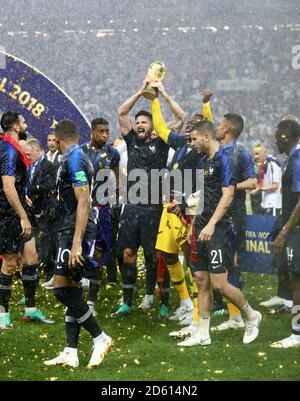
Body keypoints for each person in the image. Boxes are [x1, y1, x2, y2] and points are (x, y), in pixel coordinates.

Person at [178, 120, 261, 346]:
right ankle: (203, 334)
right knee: (201, 279)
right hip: (202, 227)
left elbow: (228, 195)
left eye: (194, 139)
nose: (192, 143)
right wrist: (193, 222)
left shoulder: (225, 159)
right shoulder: (204, 160)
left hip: (218, 229)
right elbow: (202, 194)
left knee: (219, 284)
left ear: (206, 137)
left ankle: (251, 316)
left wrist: (212, 224)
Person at [44, 120, 113, 368]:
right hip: (71, 228)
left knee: (62, 290)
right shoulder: (77, 156)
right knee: (72, 290)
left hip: (76, 231)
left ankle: (100, 337)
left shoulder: (74, 159)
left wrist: (75, 243)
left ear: (59, 138)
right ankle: (71, 352)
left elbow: (83, 201)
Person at [113, 78, 182, 317]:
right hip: (132, 208)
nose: (140, 124)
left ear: (153, 126)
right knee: (128, 253)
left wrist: (160, 94)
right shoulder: (131, 140)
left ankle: (160, 301)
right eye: (138, 122)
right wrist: (141, 91)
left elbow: (181, 119)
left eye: (145, 122)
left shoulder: (163, 141)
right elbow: (121, 112)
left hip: (154, 209)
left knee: (156, 256)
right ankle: (127, 302)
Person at [151, 84, 214, 331]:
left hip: (189, 210)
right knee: (167, 255)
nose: (190, 127)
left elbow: (210, 129)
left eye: (195, 126)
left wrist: (206, 107)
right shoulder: (181, 145)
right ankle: (186, 303)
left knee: (191, 259)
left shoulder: (201, 152)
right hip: (170, 206)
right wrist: (154, 99)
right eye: (189, 125)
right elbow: (160, 128)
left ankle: (198, 313)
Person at [0, 112, 53, 329]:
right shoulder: (9, 151)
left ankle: (30, 310)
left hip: (19, 209)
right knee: (10, 262)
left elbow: (16, 185)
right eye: (22, 122)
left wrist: (24, 199)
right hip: (9, 215)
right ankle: (2, 313)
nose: (26, 124)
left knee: (31, 258)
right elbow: (8, 187)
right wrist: (22, 216)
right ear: (14, 126)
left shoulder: (12, 147)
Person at [213, 114, 257, 332]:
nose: (217, 128)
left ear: (227, 128)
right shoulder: (218, 152)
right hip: (220, 213)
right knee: (221, 265)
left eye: (220, 125)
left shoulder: (241, 153)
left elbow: (253, 181)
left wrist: (230, 187)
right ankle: (235, 315)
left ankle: (239, 316)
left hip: (235, 214)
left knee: (232, 264)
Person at [81, 117, 120, 315]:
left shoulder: (112, 154)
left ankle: (90, 302)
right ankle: (77, 295)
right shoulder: (81, 151)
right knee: (79, 251)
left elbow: (115, 180)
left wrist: (113, 203)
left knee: (99, 251)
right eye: (101, 131)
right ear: (92, 131)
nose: (104, 135)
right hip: (82, 208)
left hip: (102, 209)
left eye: (107, 131)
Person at [271, 120, 300, 348]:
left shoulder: (297, 159)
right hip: (294, 226)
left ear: (285, 138)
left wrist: (284, 231)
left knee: (296, 278)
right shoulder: (291, 157)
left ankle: (297, 334)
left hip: (297, 228)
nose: (274, 140)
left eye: (277, 136)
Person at [24, 139, 58, 289]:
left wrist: (30, 189)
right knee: (39, 244)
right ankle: (43, 275)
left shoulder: (49, 166)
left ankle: (50, 275)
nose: (28, 157)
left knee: (46, 244)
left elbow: (48, 186)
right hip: (34, 210)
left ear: (37, 151)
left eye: (29, 154)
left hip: (46, 210)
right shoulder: (30, 167)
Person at [250, 144, 282, 216]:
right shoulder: (263, 165)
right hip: (265, 202)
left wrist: (258, 189)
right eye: (254, 154)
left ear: (265, 152)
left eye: (257, 154)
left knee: (269, 226)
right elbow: (264, 184)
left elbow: (275, 186)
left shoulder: (273, 164)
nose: (255, 157)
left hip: (273, 203)